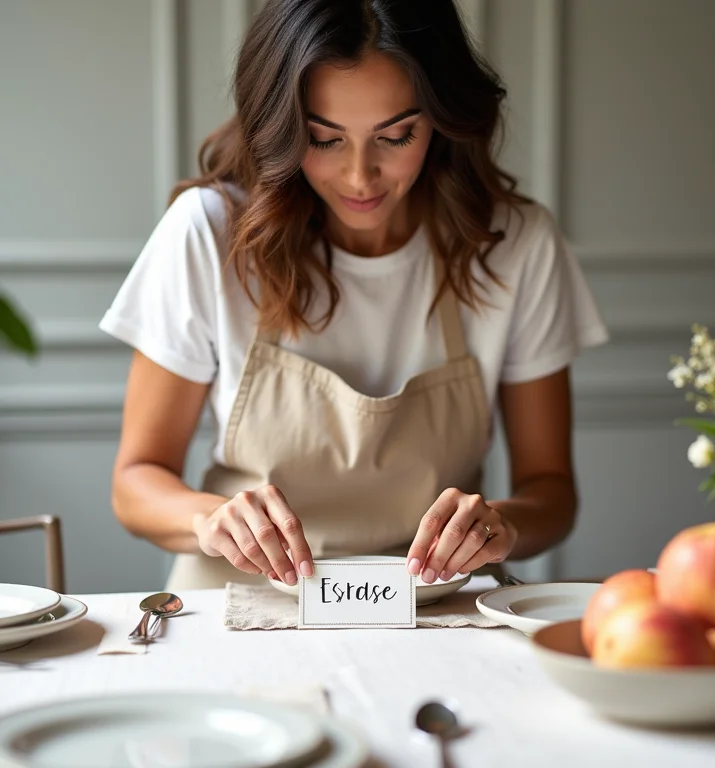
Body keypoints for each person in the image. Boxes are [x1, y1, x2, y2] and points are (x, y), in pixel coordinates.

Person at [100, 0, 609, 591]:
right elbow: (135, 483)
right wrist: (209, 519)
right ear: (281, 127)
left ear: (442, 119)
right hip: (237, 601)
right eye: (324, 139)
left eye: (395, 136)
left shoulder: (515, 244)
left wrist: (502, 526)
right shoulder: (209, 232)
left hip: (436, 606)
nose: (360, 176)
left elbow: (551, 492)